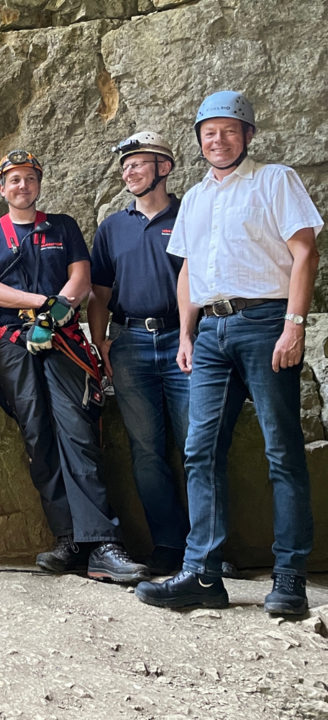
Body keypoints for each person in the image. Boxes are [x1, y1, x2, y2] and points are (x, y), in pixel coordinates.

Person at [136, 92, 323, 615]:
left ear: (247, 135)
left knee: (282, 451)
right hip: (212, 333)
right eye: (209, 132)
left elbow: (305, 251)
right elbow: (189, 270)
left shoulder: (275, 179)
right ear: (199, 140)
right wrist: (187, 335)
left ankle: (290, 578)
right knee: (200, 450)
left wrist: (294, 324)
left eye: (228, 130)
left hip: (267, 322)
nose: (218, 140)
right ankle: (202, 575)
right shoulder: (194, 198)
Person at [0, 151, 148, 584]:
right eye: (14, 180)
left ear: (39, 183)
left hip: (63, 341)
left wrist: (58, 312)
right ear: (1, 187)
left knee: (77, 430)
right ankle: (68, 537)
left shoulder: (63, 226)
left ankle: (103, 542)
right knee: (38, 436)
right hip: (13, 343)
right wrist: (42, 307)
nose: (22, 186)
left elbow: (81, 277)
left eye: (30, 178)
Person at [87, 132, 191, 576]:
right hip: (128, 343)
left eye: (139, 163)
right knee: (146, 451)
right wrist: (99, 345)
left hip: (182, 340)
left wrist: (191, 335)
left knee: (197, 446)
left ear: (164, 168)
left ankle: (209, 547)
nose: (129, 171)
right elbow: (99, 293)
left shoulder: (190, 215)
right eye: (125, 165)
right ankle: (168, 545)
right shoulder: (112, 227)